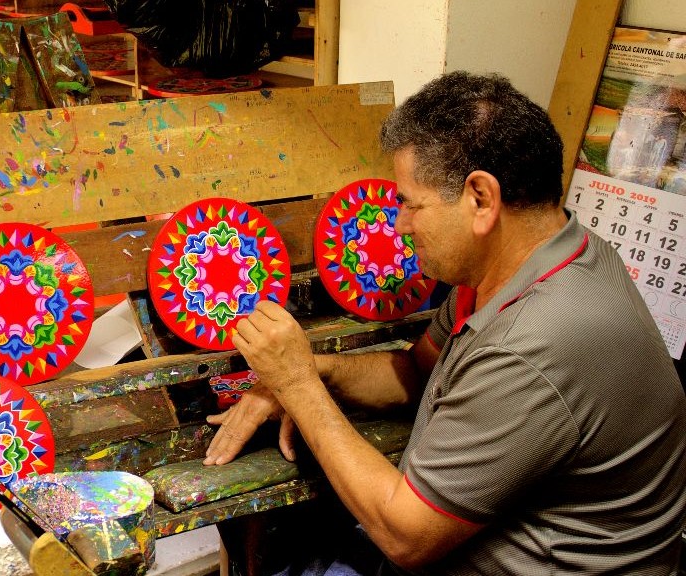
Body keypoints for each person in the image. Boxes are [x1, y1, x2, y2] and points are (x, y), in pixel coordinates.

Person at [204, 71, 686, 575]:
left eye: (411, 204)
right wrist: (306, 372)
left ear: (480, 198)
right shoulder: (536, 260)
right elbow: (417, 372)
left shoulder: (535, 343)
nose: (400, 225)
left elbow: (404, 536)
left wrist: (298, 385)